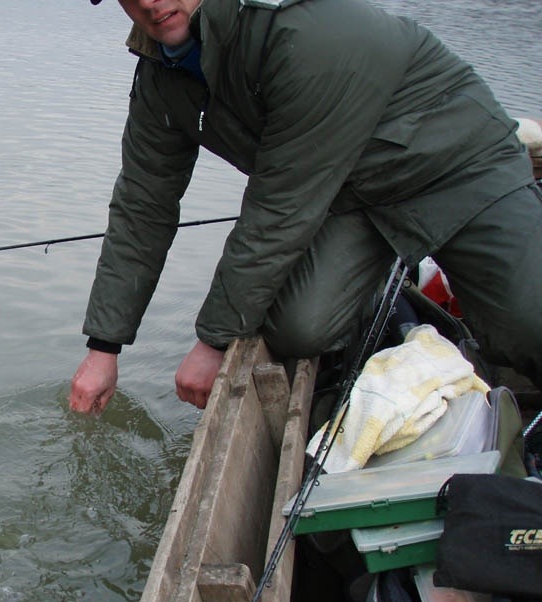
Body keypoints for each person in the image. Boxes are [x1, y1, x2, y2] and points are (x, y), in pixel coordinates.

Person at [68, 0, 542, 415]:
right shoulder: (160, 71)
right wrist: (104, 347)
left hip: (454, 161)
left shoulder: (299, 28)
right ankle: (391, 286)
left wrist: (212, 341)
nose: (149, 3)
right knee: (298, 331)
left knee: (527, 325)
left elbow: (278, 209)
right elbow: (142, 205)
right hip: (345, 194)